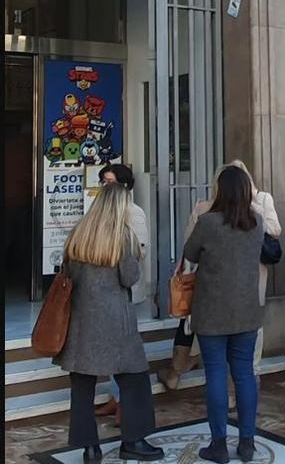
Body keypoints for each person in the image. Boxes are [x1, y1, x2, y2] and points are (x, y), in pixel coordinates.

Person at [54, 183, 164, 463]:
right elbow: (129, 278)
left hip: (81, 323)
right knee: (135, 381)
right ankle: (133, 441)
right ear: (120, 207)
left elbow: (67, 273)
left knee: (81, 388)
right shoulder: (124, 238)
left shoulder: (78, 234)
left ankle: (89, 448)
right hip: (117, 325)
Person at [182, 165, 264, 463]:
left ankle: (219, 444)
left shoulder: (208, 222)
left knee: (215, 373)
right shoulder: (258, 222)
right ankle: (247, 442)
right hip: (246, 310)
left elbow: (190, 254)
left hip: (212, 310)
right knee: (244, 374)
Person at [93, 164, 150, 426]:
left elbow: (139, 249)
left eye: (110, 181)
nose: (105, 186)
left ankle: (125, 402)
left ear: (125, 186)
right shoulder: (98, 211)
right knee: (109, 346)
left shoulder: (134, 213)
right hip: (102, 291)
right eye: (103, 181)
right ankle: (116, 396)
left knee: (123, 348)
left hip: (123, 288)